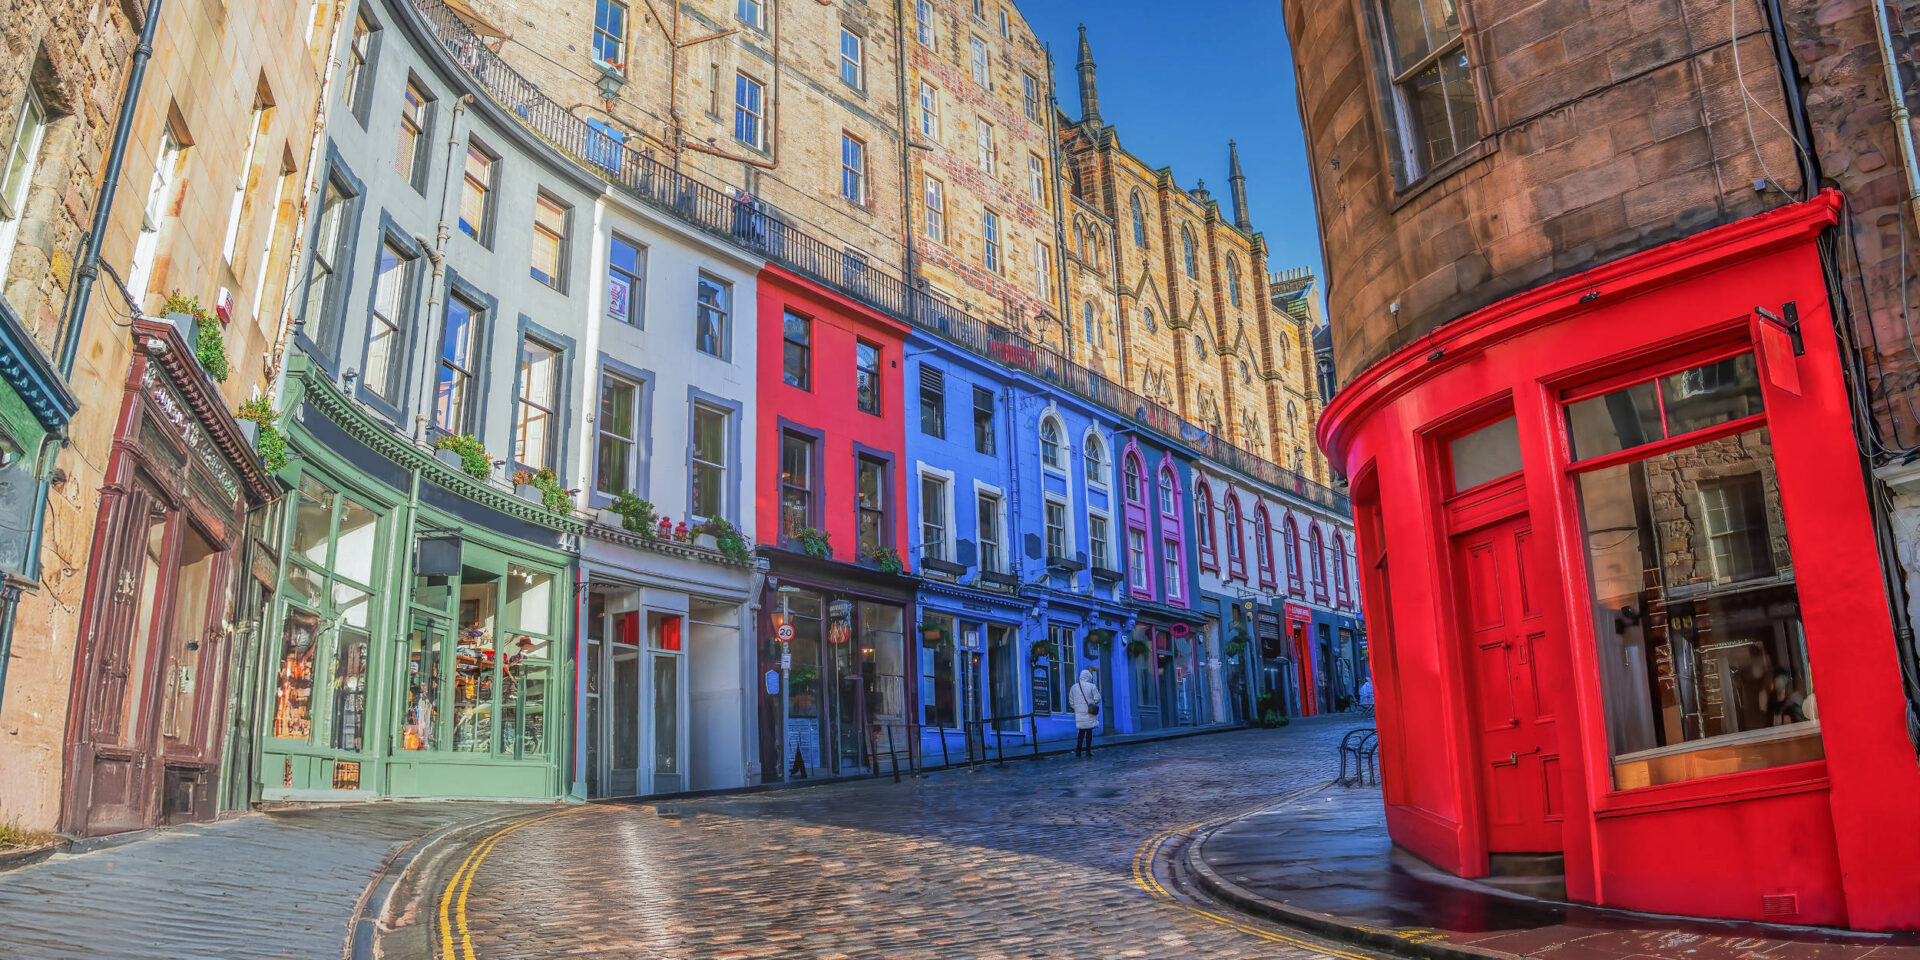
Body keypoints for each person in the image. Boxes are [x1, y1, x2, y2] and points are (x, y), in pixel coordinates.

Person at [1068, 669, 1101, 757]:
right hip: (1089, 712)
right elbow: (1097, 698)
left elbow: (1071, 701)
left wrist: (1077, 708)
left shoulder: (1074, 687)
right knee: (1089, 732)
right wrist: (1092, 703)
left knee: (1081, 732)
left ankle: (1078, 751)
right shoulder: (1092, 686)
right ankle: (1088, 751)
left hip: (1079, 714)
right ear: (1089, 677)